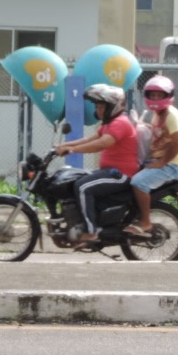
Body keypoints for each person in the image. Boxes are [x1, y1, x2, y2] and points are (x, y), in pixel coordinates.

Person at [56, 84, 140, 246]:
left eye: (101, 106)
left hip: (121, 175)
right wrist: (62, 146)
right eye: (96, 107)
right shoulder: (108, 123)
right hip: (110, 172)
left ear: (113, 107)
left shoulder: (120, 123)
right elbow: (88, 140)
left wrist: (72, 150)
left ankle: (91, 232)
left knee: (82, 187)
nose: (98, 110)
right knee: (75, 179)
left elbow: (101, 144)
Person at [125, 75, 178, 236]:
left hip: (171, 166)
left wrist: (163, 162)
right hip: (158, 161)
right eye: (153, 95)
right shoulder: (157, 113)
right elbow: (158, 133)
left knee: (138, 182)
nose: (156, 98)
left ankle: (145, 222)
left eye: (160, 95)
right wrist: (139, 125)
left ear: (168, 95)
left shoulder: (172, 115)